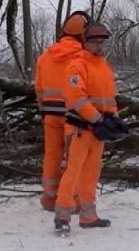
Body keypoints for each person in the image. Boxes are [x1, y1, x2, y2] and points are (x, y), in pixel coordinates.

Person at [54, 22, 129, 232]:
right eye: (95, 41)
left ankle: (88, 216)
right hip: (79, 129)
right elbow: (76, 98)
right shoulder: (77, 65)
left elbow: (109, 97)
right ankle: (62, 216)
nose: (99, 45)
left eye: (102, 41)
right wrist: (98, 119)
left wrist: (114, 118)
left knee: (91, 174)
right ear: (85, 42)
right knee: (72, 172)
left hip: (97, 131)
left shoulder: (103, 66)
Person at [33, 10, 90, 212]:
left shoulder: (45, 57)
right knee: (73, 158)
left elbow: (39, 90)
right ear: (83, 34)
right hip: (73, 116)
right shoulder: (82, 58)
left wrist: (44, 111)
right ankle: (71, 198)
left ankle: (49, 197)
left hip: (49, 114)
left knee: (52, 155)